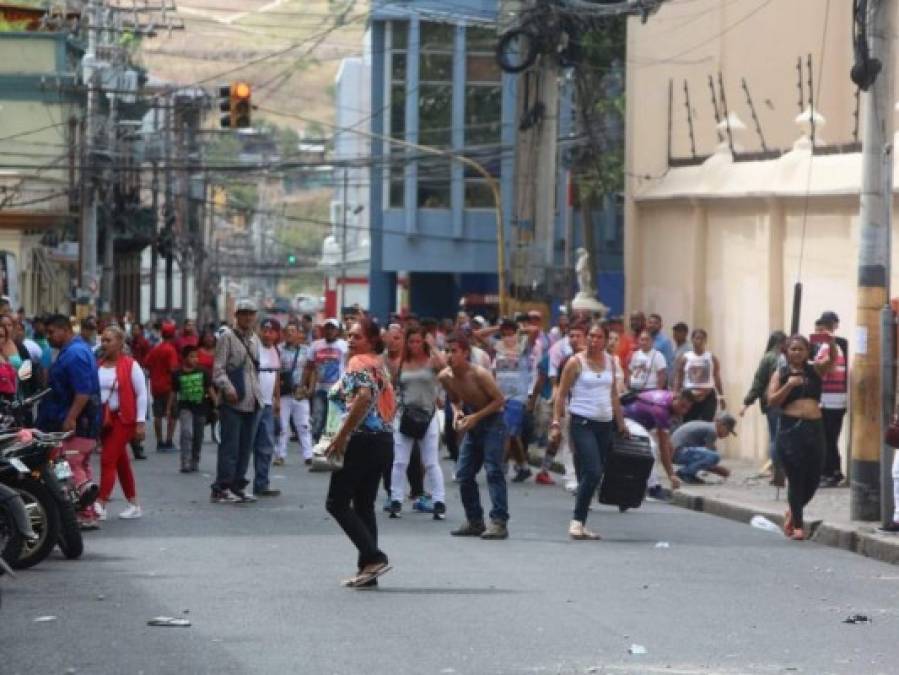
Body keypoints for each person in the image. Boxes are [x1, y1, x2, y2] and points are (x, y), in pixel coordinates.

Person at [324, 318, 395, 588]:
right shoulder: (380, 364)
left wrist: (341, 436)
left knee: (336, 503)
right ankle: (368, 571)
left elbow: (364, 397)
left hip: (362, 440)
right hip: (383, 441)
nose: (351, 340)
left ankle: (375, 557)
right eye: (349, 336)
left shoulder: (358, 362)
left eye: (358, 336)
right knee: (364, 505)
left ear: (372, 340)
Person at [551, 322, 628, 540]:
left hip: (604, 424)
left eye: (598, 337)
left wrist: (621, 424)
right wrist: (556, 423)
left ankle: (581, 523)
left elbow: (613, 394)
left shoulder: (611, 362)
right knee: (593, 471)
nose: (594, 341)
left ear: (605, 340)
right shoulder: (575, 363)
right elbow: (561, 395)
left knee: (592, 474)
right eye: (591, 337)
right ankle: (576, 521)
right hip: (582, 422)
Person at [439, 333, 509, 540]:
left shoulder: (479, 374)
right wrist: (459, 413)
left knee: (493, 470)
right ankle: (474, 520)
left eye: (454, 351)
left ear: (465, 353)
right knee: (464, 473)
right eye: (447, 351)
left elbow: (499, 401)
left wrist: (476, 417)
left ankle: (499, 522)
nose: (450, 356)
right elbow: (454, 399)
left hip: (492, 421)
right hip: (473, 421)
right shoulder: (445, 376)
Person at [767, 334, 835, 540]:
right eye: (793, 349)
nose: (797, 352)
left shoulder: (814, 369)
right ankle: (798, 526)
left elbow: (831, 361)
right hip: (791, 430)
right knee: (796, 478)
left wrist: (831, 343)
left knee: (813, 478)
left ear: (807, 351)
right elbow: (771, 401)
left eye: (801, 349)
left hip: (815, 427)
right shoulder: (781, 373)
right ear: (786, 352)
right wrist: (789, 385)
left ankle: (792, 511)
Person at [36, 314, 101, 529]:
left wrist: (70, 418)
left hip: (77, 423)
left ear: (64, 329)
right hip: (78, 421)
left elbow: (82, 392)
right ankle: (87, 510)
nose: (49, 337)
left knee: (70, 465)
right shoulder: (75, 350)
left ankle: (85, 510)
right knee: (80, 465)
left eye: (51, 332)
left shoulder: (75, 354)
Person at [389, 326, 447, 520]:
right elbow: (394, 388)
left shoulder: (432, 361)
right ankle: (396, 499)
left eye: (418, 341)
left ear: (424, 342)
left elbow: (446, 367)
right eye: (411, 341)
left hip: (428, 415)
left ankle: (439, 501)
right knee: (399, 461)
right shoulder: (401, 363)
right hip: (405, 416)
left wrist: (433, 346)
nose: (414, 345)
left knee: (431, 462)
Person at [211, 300, 263, 504]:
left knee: (245, 447)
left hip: (253, 400)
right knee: (230, 447)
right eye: (244, 314)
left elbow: (254, 371)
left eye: (251, 314)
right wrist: (228, 388)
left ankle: (237, 486)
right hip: (233, 401)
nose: (248, 317)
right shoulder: (227, 337)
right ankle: (221, 488)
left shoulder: (255, 339)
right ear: (237, 315)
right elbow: (218, 370)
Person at [93, 327, 147, 521]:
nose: (104, 344)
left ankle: (101, 503)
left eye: (108, 340)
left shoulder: (130, 365)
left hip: (124, 419)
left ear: (119, 343)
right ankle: (134, 504)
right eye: (103, 340)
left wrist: (140, 422)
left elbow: (142, 394)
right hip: (104, 421)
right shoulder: (98, 364)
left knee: (107, 459)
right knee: (121, 462)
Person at [623, 389, 696, 492]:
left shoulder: (669, 396)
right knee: (650, 447)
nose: (683, 411)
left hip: (642, 423)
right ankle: (653, 487)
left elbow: (667, 444)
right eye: (682, 406)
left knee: (668, 447)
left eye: (687, 409)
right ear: (676, 398)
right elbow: (663, 446)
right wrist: (671, 475)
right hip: (628, 419)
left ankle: (642, 477)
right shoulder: (661, 410)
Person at [740, 331, 788, 485]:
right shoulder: (787, 358)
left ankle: (778, 472)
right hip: (787, 402)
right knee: (784, 437)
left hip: (773, 402)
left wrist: (747, 402)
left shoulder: (768, 358)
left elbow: (759, 383)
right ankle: (783, 471)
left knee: (775, 438)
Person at [814, 314, 848, 488]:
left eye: (820, 330)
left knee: (827, 438)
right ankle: (834, 471)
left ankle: (830, 473)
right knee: (830, 438)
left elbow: (825, 368)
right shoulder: (832, 346)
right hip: (835, 400)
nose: (817, 334)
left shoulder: (828, 347)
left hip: (830, 401)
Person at [274, 322, 313, 466]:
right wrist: (276, 395)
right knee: (282, 426)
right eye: (288, 330)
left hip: (299, 392)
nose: (290, 333)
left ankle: (308, 455)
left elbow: (312, 369)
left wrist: (309, 389)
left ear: (299, 334)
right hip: (284, 393)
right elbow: (275, 373)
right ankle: (280, 455)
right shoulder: (278, 350)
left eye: (293, 330)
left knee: (303, 425)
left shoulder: (306, 351)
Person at [173, 345, 215, 473]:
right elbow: (173, 392)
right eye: (192, 356)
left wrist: (217, 404)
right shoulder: (177, 373)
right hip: (185, 407)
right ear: (184, 358)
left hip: (201, 407)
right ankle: (185, 461)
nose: (195, 359)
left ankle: (195, 460)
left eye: (196, 356)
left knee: (198, 435)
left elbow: (210, 389)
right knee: (186, 432)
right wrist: (170, 408)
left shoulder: (203, 372)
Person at [306, 318, 349, 442]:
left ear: (337, 331)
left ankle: (328, 443)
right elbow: (309, 367)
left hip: (337, 389)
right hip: (320, 389)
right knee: (317, 417)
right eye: (327, 328)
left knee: (333, 420)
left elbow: (349, 365)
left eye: (332, 328)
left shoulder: (344, 345)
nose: (330, 331)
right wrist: (308, 387)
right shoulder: (316, 345)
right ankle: (318, 440)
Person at [253, 318, 282, 498]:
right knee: (246, 444)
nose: (267, 334)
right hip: (253, 403)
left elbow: (276, 376)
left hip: (268, 404)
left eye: (271, 331)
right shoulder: (254, 349)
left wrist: (277, 399)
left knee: (266, 445)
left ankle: (262, 483)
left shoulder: (275, 351)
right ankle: (235, 484)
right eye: (265, 330)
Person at [673, 328, 724, 422]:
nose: (699, 341)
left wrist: (721, 396)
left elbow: (717, 377)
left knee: (706, 423)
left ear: (705, 341)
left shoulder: (711, 358)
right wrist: (675, 394)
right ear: (692, 339)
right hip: (689, 396)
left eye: (702, 339)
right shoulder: (685, 358)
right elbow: (679, 377)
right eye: (697, 338)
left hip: (708, 396)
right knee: (688, 423)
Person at [669, 414, 735, 485]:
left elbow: (702, 461)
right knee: (715, 457)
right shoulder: (712, 431)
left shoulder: (707, 427)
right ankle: (685, 473)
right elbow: (709, 459)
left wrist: (716, 469)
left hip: (674, 452)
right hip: (678, 452)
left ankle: (687, 473)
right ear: (722, 424)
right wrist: (722, 471)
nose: (727, 435)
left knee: (711, 455)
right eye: (728, 431)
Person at [145, 321, 180, 451]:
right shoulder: (171, 350)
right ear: (172, 335)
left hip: (155, 386)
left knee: (158, 415)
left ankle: (159, 442)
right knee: (172, 414)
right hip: (168, 387)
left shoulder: (155, 349)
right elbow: (173, 369)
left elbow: (147, 363)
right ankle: (169, 441)